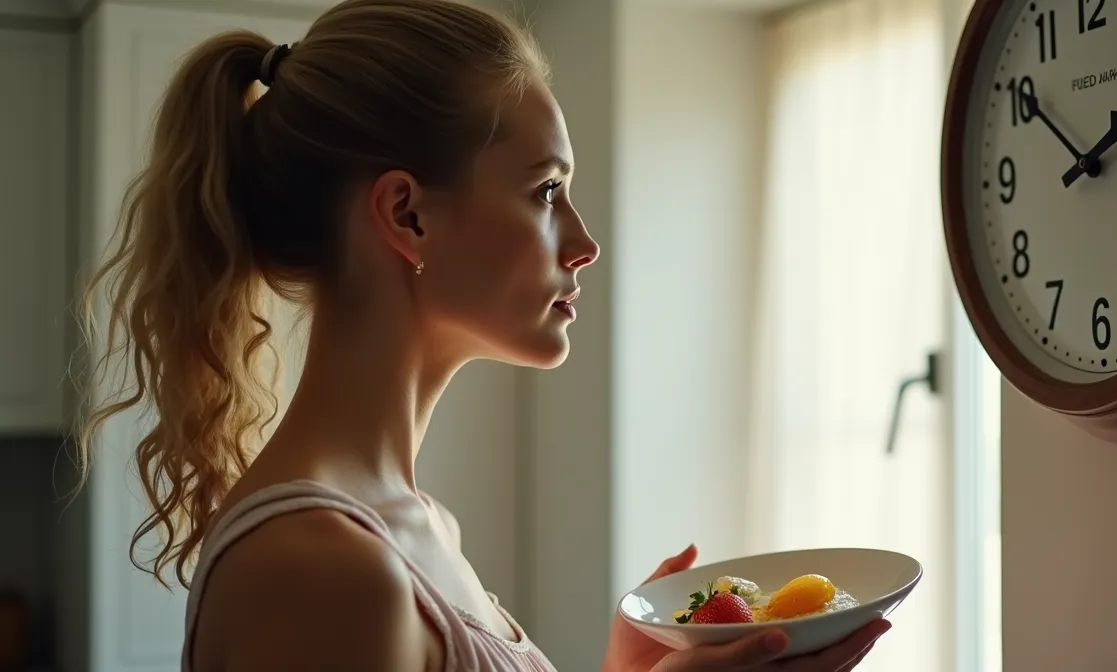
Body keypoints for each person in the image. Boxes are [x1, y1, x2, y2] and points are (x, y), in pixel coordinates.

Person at [77, 0, 893, 670]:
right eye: (545, 191)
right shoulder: (321, 568)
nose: (584, 242)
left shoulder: (417, 528)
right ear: (407, 215)